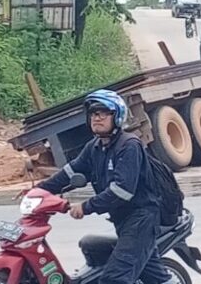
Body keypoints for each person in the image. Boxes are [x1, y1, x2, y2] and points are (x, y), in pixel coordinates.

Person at [37, 90, 175, 284]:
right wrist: (40, 190)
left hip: (141, 219)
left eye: (104, 113)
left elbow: (122, 191)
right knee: (151, 274)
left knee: (114, 279)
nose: (97, 118)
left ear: (117, 116)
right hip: (123, 220)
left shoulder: (129, 146)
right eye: (94, 113)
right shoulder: (94, 147)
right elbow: (71, 171)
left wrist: (86, 207)